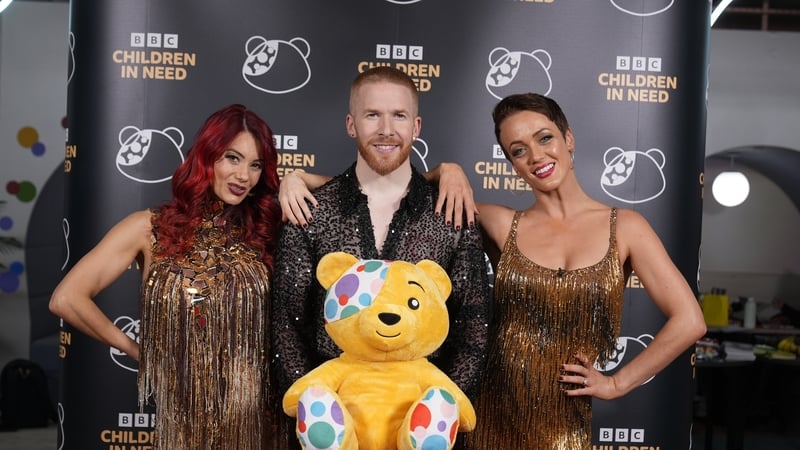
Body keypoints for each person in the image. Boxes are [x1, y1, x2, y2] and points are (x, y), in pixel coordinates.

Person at [283, 92, 707, 449]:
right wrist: (297, 178)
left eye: (545, 138)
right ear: (509, 162)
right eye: (518, 150)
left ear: (569, 139)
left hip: (563, 412)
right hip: (488, 402)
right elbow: (399, 187)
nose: (536, 156)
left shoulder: (626, 227)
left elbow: (690, 321)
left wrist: (617, 384)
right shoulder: (499, 221)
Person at [270, 66, 492, 449]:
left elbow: (474, 324)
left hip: (422, 429)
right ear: (351, 124)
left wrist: (443, 409)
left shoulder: (450, 211)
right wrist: (315, 409)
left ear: (416, 126)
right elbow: (287, 323)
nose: (386, 129)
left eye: (399, 115)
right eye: (373, 115)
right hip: (334, 431)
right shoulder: (312, 210)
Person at [49, 104, 282, 449]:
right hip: (184, 417)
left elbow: (346, 189)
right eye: (232, 158)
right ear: (207, 156)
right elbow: (66, 299)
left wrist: (299, 179)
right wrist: (137, 350)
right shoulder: (149, 227)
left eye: (255, 164)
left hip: (259, 417)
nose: (243, 175)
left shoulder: (266, 229)